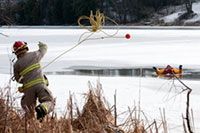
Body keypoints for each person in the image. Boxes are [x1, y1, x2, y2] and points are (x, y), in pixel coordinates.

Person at [13, 41, 55, 121]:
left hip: (28, 91)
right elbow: (44, 49)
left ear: (16, 52)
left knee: (29, 112)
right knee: (49, 102)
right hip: (40, 86)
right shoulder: (35, 55)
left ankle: (28, 127)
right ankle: (42, 109)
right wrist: (42, 44)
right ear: (25, 47)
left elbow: (18, 79)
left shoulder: (16, 65)